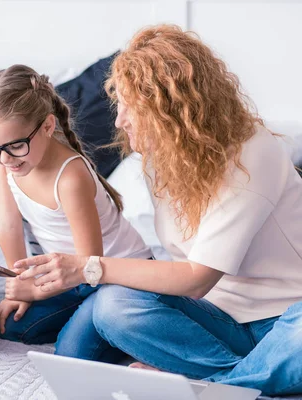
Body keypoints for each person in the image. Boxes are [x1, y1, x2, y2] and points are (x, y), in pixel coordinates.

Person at [15, 25, 302, 396]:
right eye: (119, 104)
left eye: (133, 108)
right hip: (214, 323)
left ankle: (222, 385)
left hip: (284, 318)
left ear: (173, 110)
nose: (120, 120)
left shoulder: (254, 154)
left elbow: (197, 277)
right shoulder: (159, 158)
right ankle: (248, 377)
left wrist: (90, 267)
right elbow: (182, 282)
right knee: (112, 305)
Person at [0, 65, 152, 360]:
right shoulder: (6, 158)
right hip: (70, 278)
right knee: (9, 328)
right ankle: (98, 327)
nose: (4, 158)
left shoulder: (70, 178)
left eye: (16, 145)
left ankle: (123, 326)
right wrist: (20, 286)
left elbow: (90, 266)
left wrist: (36, 292)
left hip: (109, 276)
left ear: (46, 126)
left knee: (72, 352)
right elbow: (7, 225)